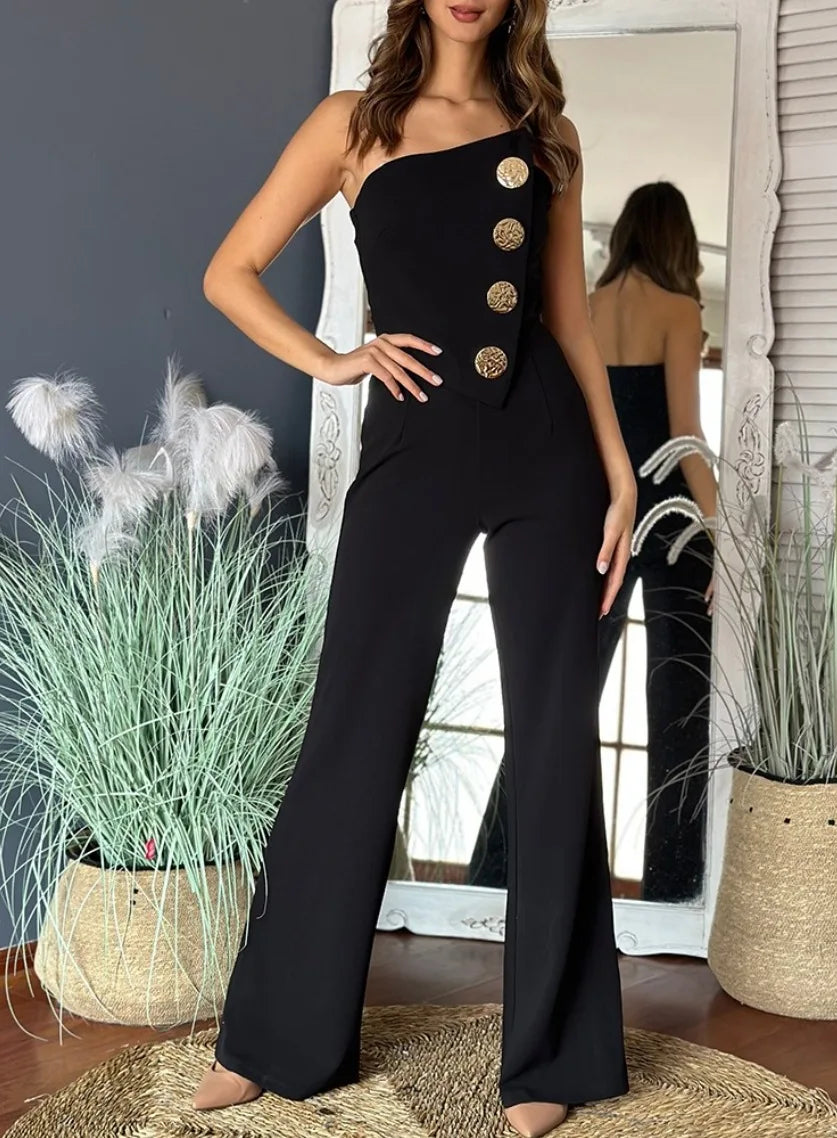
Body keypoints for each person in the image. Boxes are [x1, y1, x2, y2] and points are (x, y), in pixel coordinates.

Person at [191, 2, 637, 1135]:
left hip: (547, 449)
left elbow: (572, 327)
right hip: (412, 444)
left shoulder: (548, 133)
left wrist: (621, 472)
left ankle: (550, 1061)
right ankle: (277, 1037)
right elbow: (230, 271)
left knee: (551, 739)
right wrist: (335, 362)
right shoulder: (352, 123)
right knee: (354, 726)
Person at [589, 181, 718, 902]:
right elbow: (685, 441)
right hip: (671, 521)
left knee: (561, 699)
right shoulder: (680, 310)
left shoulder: (584, 305)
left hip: (594, 510)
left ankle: (499, 875)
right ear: (679, 242)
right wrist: (725, 537)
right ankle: (673, 891)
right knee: (679, 710)